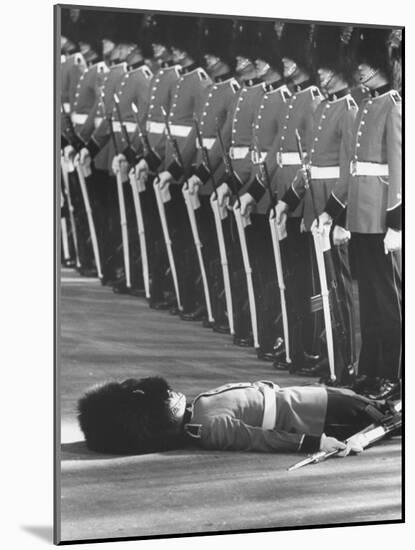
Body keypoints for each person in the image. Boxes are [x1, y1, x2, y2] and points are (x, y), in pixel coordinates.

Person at [316, 27, 402, 400]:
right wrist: (331, 212)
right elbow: (352, 169)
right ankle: (368, 370)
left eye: (367, 63)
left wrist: (397, 223)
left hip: (382, 217)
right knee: (366, 296)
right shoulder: (365, 106)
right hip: (359, 217)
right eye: (359, 64)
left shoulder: (394, 105)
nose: (361, 71)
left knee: (386, 299)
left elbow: (400, 170)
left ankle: (392, 375)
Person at [77, 375, 398, 455]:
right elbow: (258, 439)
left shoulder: (197, 412)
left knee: (373, 405)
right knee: (379, 413)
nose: (172, 394)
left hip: (308, 398)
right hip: (317, 415)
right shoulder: (202, 428)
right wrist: (315, 442)